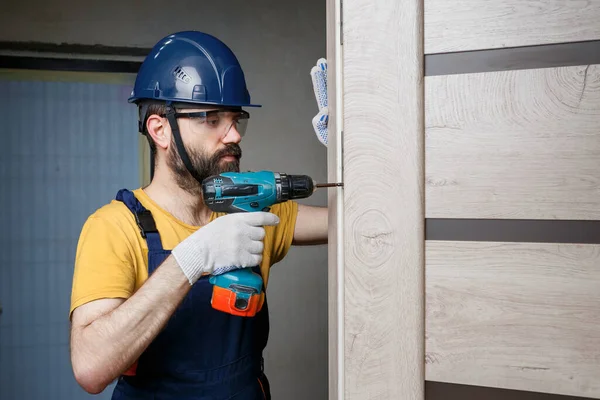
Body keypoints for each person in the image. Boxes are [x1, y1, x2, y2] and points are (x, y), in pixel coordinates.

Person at [69, 31, 329, 399]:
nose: (234, 134)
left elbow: (358, 223)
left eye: (236, 119)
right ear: (160, 130)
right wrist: (193, 259)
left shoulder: (249, 212)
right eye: (212, 119)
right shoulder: (113, 228)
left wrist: (356, 143)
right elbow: (90, 367)